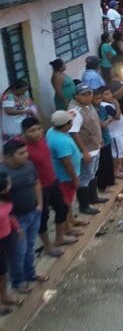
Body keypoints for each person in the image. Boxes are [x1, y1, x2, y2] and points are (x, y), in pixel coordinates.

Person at [1, 139, 47, 294]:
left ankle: (30, 273)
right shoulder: (3, 174)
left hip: (33, 213)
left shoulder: (29, 165)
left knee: (30, 246)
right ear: (8, 156)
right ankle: (18, 281)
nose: (26, 155)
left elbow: (36, 183)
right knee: (17, 253)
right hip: (16, 220)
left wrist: (39, 204)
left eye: (26, 151)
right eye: (21, 153)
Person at [21, 117, 72, 257]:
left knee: (62, 208)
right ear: (24, 133)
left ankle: (59, 238)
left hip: (53, 181)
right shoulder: (22, 148)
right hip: (38, 188)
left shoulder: (43, 140)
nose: (37, 133)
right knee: (43, 217)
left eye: (39, 129)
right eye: (32, 131)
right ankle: (47, 246)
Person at [46, 110, 86, 242]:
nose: (72, 123)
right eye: (70, 122)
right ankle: (68, 227)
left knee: (68, 201)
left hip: (61, 175)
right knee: (66, 202)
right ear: (65, 125)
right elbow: (67, 163)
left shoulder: (52, 131)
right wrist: (75, 178)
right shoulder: (61, 141)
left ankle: (71, 220)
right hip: (65, 177)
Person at [68, 84, 106, 215]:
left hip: (95, 146)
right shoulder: (75, 111)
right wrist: (84, 151)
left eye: (89, 93)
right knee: (84, 177)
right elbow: (74, 133)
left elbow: (94, 123)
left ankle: (93, 197)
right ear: (76, 96)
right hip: (87, 150)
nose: (88, 97)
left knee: (92, 173)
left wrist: (100, 138)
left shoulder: (89, 106)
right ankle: (84, 205)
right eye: (83, 94)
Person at [0, 172, 22, 313]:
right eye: (8, 183)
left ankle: (5, 296)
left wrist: (17, 228)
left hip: (7, 237)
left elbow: (10, 215)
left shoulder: (6, 198)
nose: (10, 184)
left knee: (3, 271)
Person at [101, 86, 123, 180]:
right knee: (117, 153)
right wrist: (117, 104)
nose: (110, 95)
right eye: (106, 94)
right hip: (114, 133)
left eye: (110, 93)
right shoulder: (105, 106)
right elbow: (117, 116)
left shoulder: (109, 104)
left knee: (120, 151)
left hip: (118, 132)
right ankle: (116, 171)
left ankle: (119, 168)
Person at [92, 87, 116, 192]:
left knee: (108, 162)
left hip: (106, 137)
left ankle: (110, 182)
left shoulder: (101, 108)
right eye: (96, 99)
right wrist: (109, 119)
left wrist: (107, 120)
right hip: (99, 139)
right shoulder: (93, 110)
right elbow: (102, 124)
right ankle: (102, 186)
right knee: (102, 164)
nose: (98, 101)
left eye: (99, 98)